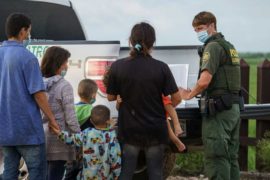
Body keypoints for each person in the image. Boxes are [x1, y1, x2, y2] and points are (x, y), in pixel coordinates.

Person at [106, 22, 182, 180]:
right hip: (155, 129)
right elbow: (176, 98)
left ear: (131, 41)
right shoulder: (161, 67)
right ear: (153, 42)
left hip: (129, 129)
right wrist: (164, 108)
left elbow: (111, 97)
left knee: (126, 171)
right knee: (155, 172)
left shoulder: (118, 67)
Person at [179, 11, 241, 179]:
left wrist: (188, 94)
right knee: (231, 157)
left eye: (201, 28)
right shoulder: (228, 46)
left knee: (216, 157)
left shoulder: (212, 47)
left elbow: (205, 80)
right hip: (233, 108)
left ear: (212, 25)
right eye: (195, 30)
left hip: (219, 111)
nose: (198, 32)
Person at [0, 13, 59, 179]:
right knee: (37, 173)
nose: (29, 35)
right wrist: (52, 119)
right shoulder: (28, 58)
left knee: (9, 172)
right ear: (23, 31)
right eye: (29, 31)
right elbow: (39, 94)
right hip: (28, 131)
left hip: (4, 130)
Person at [50, 105, 122, 180]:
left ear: (91, 120)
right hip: (104, 177)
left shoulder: (87, 133)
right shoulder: (111, 136)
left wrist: (58, 132)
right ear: (108, 120)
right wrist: (117, 173)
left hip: (87, 176)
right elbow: (115, 156)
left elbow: (70, 138)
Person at [41, 46, 81, 180]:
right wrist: (78, 137)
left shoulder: (38, 83)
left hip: (41, 138)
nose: (67, 65)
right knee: (55, 176)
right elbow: (70, 117)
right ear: (58, 63)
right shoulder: (65, 86)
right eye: (65, 62)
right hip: (59, 139)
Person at [64, 79, 98, 179]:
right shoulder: (92, 111)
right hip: (86, 149)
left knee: (70, 173)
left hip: (71, 147)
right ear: (93, 95)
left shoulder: (73, 109)